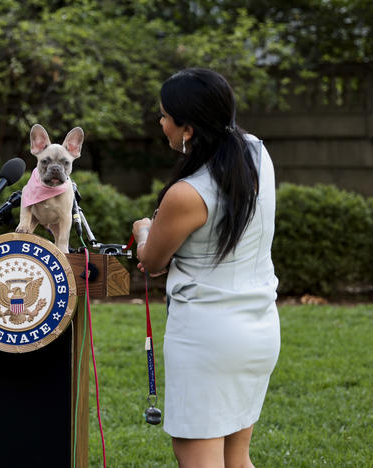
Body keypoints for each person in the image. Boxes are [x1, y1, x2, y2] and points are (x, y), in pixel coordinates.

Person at [132, 68, 280, 468]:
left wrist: (144, 230)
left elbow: (152, 262)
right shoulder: (256, 153)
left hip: (207, 341)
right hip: (259, 330)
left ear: (188, 129)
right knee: (237, 457)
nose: (160, 122)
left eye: (165, 115)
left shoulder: (187, 193)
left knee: (198, 458)